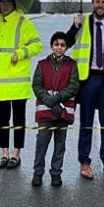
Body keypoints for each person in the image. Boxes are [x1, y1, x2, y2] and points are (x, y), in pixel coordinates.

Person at [66, 0, 104, 180]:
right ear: (92, 4)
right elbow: (65, 42)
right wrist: (75, 26)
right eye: (97, 2)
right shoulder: (82, 23)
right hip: (88, 79)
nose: (100, 5)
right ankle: (85, 162)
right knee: (87, 123)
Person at [0, 0, 42, 169]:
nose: (4, 5)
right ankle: (4, 153)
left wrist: (19, 54)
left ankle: (16, 153)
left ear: (13, 4)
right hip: (0, 82)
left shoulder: (23, 23)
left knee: (18, 120)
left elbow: (37, 45)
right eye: (2, 2)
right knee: (2, 120)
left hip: (17, 81)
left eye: (8, 2)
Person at [31, 32, 80, 187]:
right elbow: (36, 85)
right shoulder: (42, 64)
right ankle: (38, 173)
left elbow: (73, 86)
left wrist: (57, 99)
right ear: (52, 46)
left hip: (62, 112)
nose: (59, 48)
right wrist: (50, 101)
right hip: (45, 112)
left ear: (66, 47)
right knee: (41, 144)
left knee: (60, 144)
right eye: (56, 44)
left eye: (62, 45)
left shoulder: (71, 65)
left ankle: (56, 173)